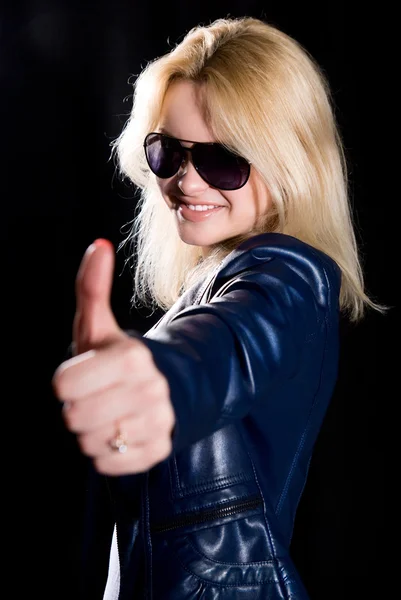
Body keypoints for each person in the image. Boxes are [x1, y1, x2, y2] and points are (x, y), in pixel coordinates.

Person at [52, 15, 386, 600]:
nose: (187, 182)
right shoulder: (215, 280)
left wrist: (158, 379)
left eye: (224, 160)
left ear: (288, 163)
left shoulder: (290, 276)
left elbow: (222, 351)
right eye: (168, 153)